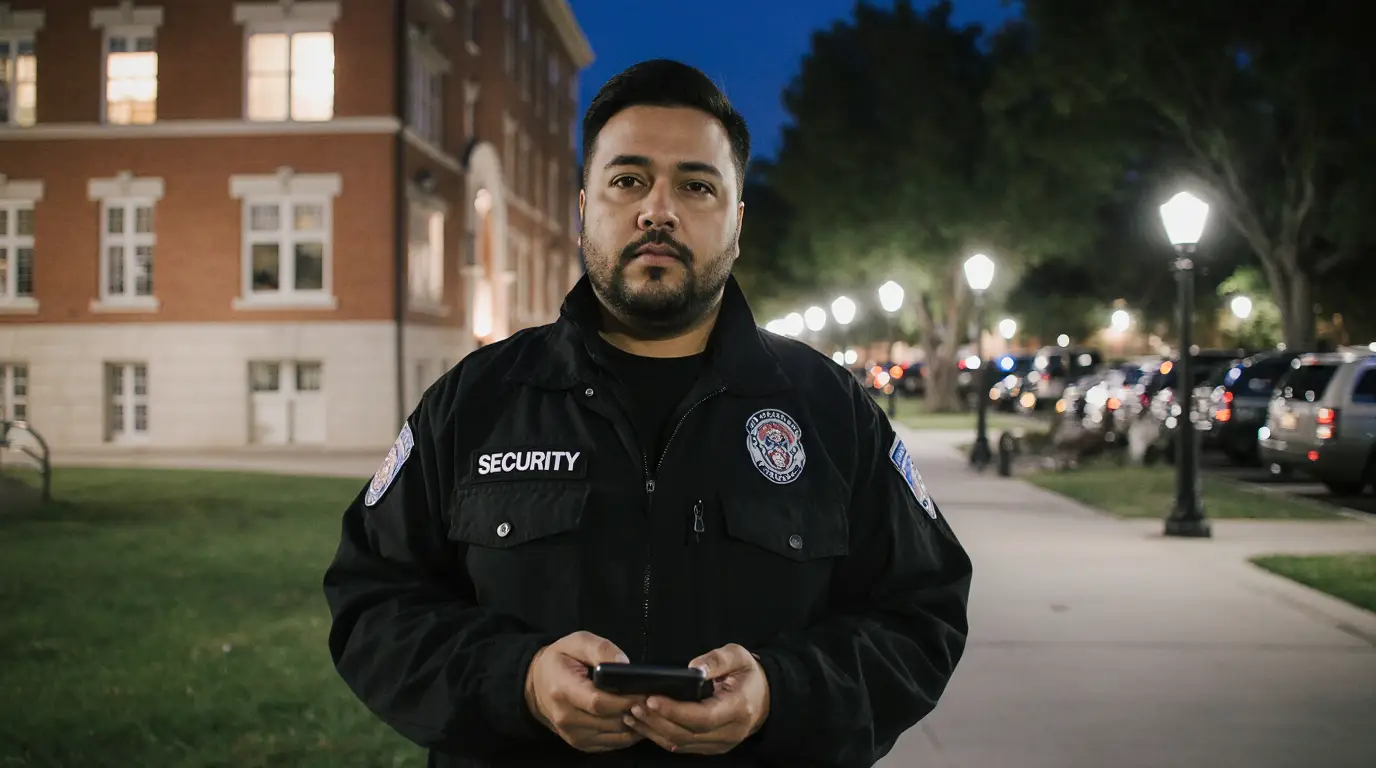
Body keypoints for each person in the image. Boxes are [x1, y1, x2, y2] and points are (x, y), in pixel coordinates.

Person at [323, 58, 972, 767]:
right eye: (628, 180)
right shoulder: (475, 401)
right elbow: (373, 604)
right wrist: (521, 682)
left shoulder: (830, 410)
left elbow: (922, 616)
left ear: (737, 218)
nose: (658, 210)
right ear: (584, 206)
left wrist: (779, 694)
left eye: (696, 185)